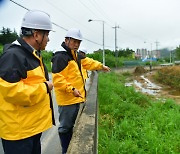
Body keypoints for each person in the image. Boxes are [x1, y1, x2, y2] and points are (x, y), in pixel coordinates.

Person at [0, 10, 55, 154]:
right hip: (19, 133)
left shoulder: (31, 54)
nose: (48, 39)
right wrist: (45, 87)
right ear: (36, 34)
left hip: (30, 129)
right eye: (47, 34)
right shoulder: (13, 55)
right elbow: (12, 92)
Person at [51, 28, 110, 154]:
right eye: (74, 41)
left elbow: (87, 62)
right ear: (66, 40)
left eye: (79, 42)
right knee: (65, 127)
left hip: (75, 97)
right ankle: (65, 150)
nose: (77, 44)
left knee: (70, 125)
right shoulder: (61, 57)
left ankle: (68, 147)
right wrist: (71, 89)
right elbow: (58, 79)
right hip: (67, 100)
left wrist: (101, 66)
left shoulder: (74, 55)